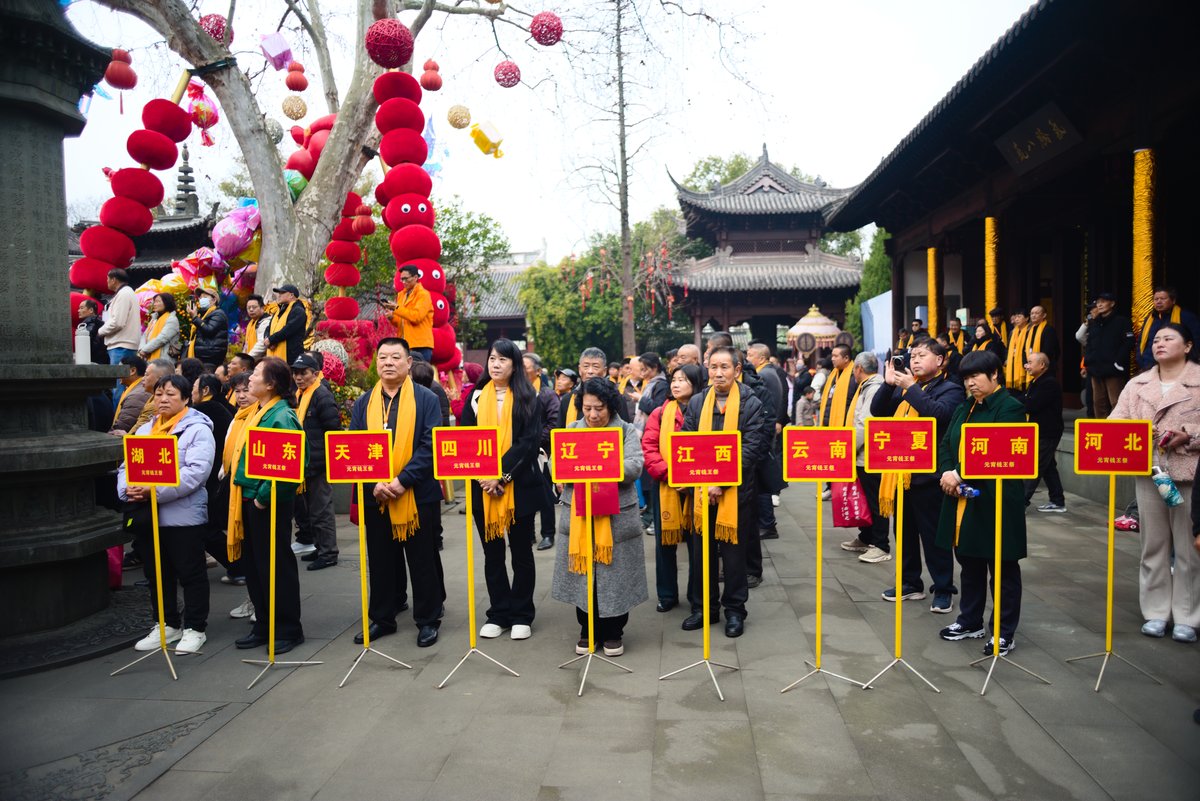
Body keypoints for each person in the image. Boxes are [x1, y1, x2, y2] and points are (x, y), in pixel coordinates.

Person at [350, 338, 447, 647]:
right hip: (377, 495)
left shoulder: (426, 399)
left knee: (422, 560)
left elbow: (430, 444)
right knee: (380, 561)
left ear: (409, 364)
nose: (388, 362)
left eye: (395, 357)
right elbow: (355, 449)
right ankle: (382, 617)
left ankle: (428, 619)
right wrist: (373, 483)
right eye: (382, 357)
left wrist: (402, 480)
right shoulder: (364, 402)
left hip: (416, 494)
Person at [934, 350, 1029, 656]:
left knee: (1002, 566)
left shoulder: (1010, 408)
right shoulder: (965, 407)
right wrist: (949, 471)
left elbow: (1000, 451)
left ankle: (1003, 631)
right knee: (969, 561)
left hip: (995, 499)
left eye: (975, 376)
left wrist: (960, 474)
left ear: (994, 375)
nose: (970, 383)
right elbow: (947, 443)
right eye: (965, 378)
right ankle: (970, 620)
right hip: (962, 499)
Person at [1110, 323, 1200, 643]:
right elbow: (1115, 423)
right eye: (1156, 339)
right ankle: (1156, 612)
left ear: (1188, 346)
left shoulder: (1198, 380)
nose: (1160, 344)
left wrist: (1189, 434)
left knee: (1190, 549)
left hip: (1190, 475)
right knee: (1153, 546)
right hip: (1151, 474)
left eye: (1169, 338)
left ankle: (1188, 615)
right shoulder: (1138, 383)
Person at [117, 374, 216, 655]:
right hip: (148, 516)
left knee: (190, 572)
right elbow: (126, 467)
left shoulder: (197, 430)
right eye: (159, 394)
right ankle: (166, 623)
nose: (163, 399)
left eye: (171, 394)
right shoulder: (144, 431)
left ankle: (195, 628)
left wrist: (154, 490)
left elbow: (196, 473)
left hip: (183, 517)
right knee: (157, 574)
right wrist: (128, 490)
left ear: (186, 398)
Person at [552, 378, 647, 656]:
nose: (593, 415)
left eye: (599, 409)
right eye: (587, 408)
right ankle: (587, 629)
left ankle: (614, 631)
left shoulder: (626, 430)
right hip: (580, 513)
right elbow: (558, 465)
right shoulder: (571, 429)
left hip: (616, 514)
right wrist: (560, 475)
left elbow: (635, 465)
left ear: (611, 406)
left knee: (614, 575)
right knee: (583, 574)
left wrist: (601, 466)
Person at [681, 345, 771, 637]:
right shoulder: (697, 403)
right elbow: (687, 441)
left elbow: (752, 448)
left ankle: (734, 610)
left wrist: (722, 481)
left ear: (737, 371)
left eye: (725, 367)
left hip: (736, 493)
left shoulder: (751, 403)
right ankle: (703, 608)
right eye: (714, 367)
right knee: (700, 554)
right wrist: (700, 479)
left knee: (733, 557)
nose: (718, 373)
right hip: (701, 491)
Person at [459, 338, 543, 640]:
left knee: (521, 553)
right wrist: (485, 476)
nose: (495, 364)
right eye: (492, 359)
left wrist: (502, 475)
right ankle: (499, 612)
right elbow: (465, 441)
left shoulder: (527, 397)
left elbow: (529, 443)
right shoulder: (476, 397)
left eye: (503, 360)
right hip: (483, 488)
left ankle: (522, 613)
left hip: (518, 487)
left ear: (514, 365)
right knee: (491, 553)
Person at [870, 337, 960, 612]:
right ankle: (910, 582)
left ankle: (943, 588)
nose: (915, 360)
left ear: (940, 361)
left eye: (922, 355)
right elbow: (878, 411)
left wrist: (910, 388)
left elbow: (938, 415)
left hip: (929, 476)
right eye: (913, 356)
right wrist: (888, 384)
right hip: (900, 472)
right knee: (904, 532)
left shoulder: (950, 389)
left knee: (934, 537)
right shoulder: (907, 389)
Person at [228, 356, 307, 654]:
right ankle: (264, 623)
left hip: (268, 501)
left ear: (271, 383)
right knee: (255, 565)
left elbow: (290, 466)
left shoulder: (282, 417)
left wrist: (263, 497)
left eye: (257, 374)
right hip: (249, 498)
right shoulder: (257, 411)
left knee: (275, 566)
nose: (249, 379)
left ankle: (288, 628)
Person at [642, 363, 702, 613]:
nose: (676, 384)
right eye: (674, 380)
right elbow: (649, 446)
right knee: (664, 544)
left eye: (683, 380)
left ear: (696, 383)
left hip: (695, 488)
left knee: (696, 544)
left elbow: (708, 448)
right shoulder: (660, 412)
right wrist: (670, 474)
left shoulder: (704, 411)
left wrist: (688, 479)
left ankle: (696, 595)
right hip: (666, 486)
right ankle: (667, 595)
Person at [288, 353, 342, 570]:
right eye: (296, 373)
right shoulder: (301, 394)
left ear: (316, 374)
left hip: (319, 465)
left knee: (322, 511)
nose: (298, 377)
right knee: (312, 512)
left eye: (304, 373)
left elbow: (333, 431)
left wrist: (326, 461)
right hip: (305, 464)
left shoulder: (321, 395)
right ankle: (320, 548)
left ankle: (329, 553)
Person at [841, 352, 891, 563]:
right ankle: (866, 537)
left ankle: (881, 545)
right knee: (866, 500)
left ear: (859, 369)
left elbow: (864, 424)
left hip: (870, 456)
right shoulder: (871, 386)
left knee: (874, 502)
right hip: (864, 454)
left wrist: (849, 449)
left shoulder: (874, 388)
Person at [1021, 352, 1066, 513]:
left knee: (1035, 466)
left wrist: (1021, 402)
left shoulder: (1049, 383)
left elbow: (1031, 405)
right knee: (1048, 466)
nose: (1027, 366)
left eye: (1030, 362)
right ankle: (1057, 500)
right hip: (1039, 430)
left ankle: (1020, 502)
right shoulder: (1036, 382)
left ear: (1042, 365)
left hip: (1047, 431)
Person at [524, 352, 560, 551]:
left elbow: (553, 423)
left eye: (525, 367)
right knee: (525, 495)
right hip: (522, 453)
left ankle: (548, 534)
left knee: (545, 495)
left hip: (542, 452)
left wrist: (535, 440)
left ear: (537, 372)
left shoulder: (547, 394)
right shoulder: (517, 392)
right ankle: (527, 534)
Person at [1083, 292, 1135, 418]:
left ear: (1112, 303)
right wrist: (1087, 363)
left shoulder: (1121, 321)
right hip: (1095, 369)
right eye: (1098, 302)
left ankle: (1117, 432)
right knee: (1098, 403)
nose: (1099, 305)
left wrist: (1118, 362)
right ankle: (1102, 432)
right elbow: (1089, 344)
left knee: (1116, 402)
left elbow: (1129, 342)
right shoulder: (1094, 323)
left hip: (1113, 369)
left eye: (1103, 301)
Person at [98, 268, 142, 402]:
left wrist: (100, 331)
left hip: (121, 344)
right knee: (123, 386)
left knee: (119, 386)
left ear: (114, 279)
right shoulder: (127, 293)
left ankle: (118, 420)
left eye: (107, 279)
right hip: (124, 343)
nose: (106, 282)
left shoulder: (123, 294)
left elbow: (118, 322)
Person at [560, 347, 631, 427]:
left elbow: (624, 431)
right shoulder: (568, 400)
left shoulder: (616, 398)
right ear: (580, 370)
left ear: (604, 371)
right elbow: (560, 434)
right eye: (586, 366)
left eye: (595, 367)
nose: (590, 371)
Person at [1137, 287, 1200, 371]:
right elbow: (1141, 341)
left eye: (1163, 299)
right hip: (1148, 365)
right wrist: (1140, 359)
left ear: (1173, 301)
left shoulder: (1186, 317)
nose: (1158, 302)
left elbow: (1195, 341)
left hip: (1178, 367)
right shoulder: (1149, 318)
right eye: (1156, 299)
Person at [387, 265, 434, 362]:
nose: (403, 282)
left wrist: (396, 308)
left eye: (406, 279)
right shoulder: (402, 295)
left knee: (420, 376)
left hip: (420, 345)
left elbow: (416, 317)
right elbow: (401, 321)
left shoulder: (423, 295)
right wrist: (392, 318)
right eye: (402, 279)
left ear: (416, 277)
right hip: (405, 344)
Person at [264, 285, 307, 365]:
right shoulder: (279, 310)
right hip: (272, 356)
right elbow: (268, 328)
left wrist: (271, 340)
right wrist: (267, 339)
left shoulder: (298, 311)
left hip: (290, 358)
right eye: (278, 293)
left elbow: (288, 329)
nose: (279, 295)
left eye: (282, 292)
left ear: (291, 295)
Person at [186, 287, 228, 366]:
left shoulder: (218, 314)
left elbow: (209, 330)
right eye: (200, 297)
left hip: (209, 357)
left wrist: (195, 318)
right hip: (202, 355)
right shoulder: (202, 314)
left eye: (205, 297)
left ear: (214, 300)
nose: (201, 300)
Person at [109, 355, 150, 436]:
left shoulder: (136, 395)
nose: (117, 374)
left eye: (120, 369)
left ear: (132, 371)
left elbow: (122, 427)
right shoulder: (134, 389)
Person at [138, 293, 180, 362]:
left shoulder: (172, 319)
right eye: (154, 301)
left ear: (167, 303)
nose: (154, 304)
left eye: (158, 301)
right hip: (148, 357)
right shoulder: (154, 319)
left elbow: (161, 339)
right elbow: (145, 335)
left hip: (163, 360)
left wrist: (145, 350)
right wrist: (141, 349)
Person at [1004, 309, 1031, 390]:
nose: (1016, 319)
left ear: (1026, 318)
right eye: (1015, 317)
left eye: (1019, 317)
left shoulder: (1030, 331)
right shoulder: (1012, 332)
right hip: (1013, 363)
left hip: (1024, 362)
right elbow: (1008, 348)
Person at [77, 297, 109, 364]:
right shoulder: (100, 323)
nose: (78, 310)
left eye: (81, 308)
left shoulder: (91, 324)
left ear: (91, 310)